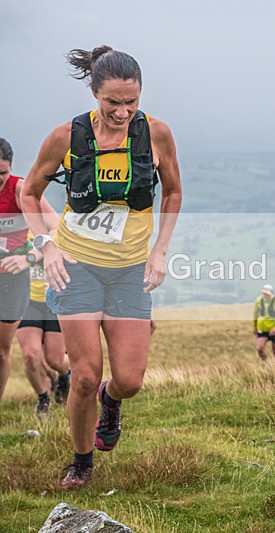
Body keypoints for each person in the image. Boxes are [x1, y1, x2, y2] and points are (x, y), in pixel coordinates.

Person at [21, 46, 182, 490]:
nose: (122, 112)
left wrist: (159, 250)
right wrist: (46, 245)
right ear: (94, 92)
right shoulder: (65, 137)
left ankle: (111, 402)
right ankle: (81, 462)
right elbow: (29, 194)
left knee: (128, 379)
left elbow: (173, 193)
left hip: (130, 270)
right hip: (76, 266)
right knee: (85, 375)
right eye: (113, 102)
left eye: (131, 102)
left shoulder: (156, 134)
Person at [0, 138, 59, 402]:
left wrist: (30, 257)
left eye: (2, 173)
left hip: (12, 280)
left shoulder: (19, 189)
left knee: (2, 351)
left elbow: (56, 227)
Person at [16, 234, 72, 416]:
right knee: (30, 355)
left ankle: (64, 376)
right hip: (27, 302)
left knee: (55, 360)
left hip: (54, 301)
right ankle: (43, 398)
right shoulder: (15, 235)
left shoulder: (57, 231)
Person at [252, 284, 275, 363]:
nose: (265, 296)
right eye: (264, 294)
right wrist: (254, 327)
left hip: (274, 329)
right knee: (260, 349)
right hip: (262, 329)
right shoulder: (258, 301)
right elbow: (255, 314)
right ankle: (266, 364)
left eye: (267, 294)